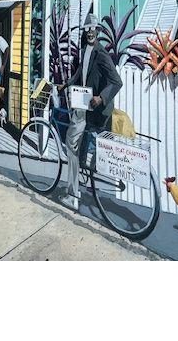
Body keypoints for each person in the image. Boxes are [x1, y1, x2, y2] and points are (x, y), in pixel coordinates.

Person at [58, 13, 122, 211]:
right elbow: (81, 73)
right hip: (84, 103)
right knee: (79, 146)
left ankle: (72, 195)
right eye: (87, 29)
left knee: (71, 144)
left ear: (98, 31)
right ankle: (79, 180)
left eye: (93, 29)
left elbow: (117, 82)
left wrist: (101, 97)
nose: (90, 32)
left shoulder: (101, 54)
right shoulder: (86, 49)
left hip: (96, 109)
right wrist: (67, 83)